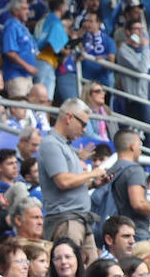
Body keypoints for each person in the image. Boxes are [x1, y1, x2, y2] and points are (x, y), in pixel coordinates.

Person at [40, 99, 112, 264]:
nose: (85, 130)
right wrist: (92, 173)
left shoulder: (65, 146)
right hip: (66, 221)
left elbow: (71, 183)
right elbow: (63, 181)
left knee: (92, 275)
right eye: (83, 124)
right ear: (69, 117)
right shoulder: (51, 144)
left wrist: (94, 183)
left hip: (78, 220)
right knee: (70, 272)